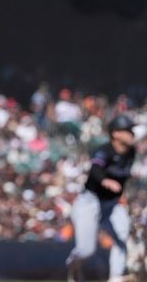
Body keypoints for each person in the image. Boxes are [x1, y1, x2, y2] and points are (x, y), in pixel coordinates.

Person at [66, 115, 138, 282]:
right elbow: (95, 168)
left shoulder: (131, 152)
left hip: (112, 203)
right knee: (86, 250)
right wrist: (105, 180)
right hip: (90, 201)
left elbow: (122, 179)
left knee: (122, 236)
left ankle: (116, 277)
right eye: (128, 131)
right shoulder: (104, 150)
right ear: (116, 134)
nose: (132, 134)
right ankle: (73, 265)